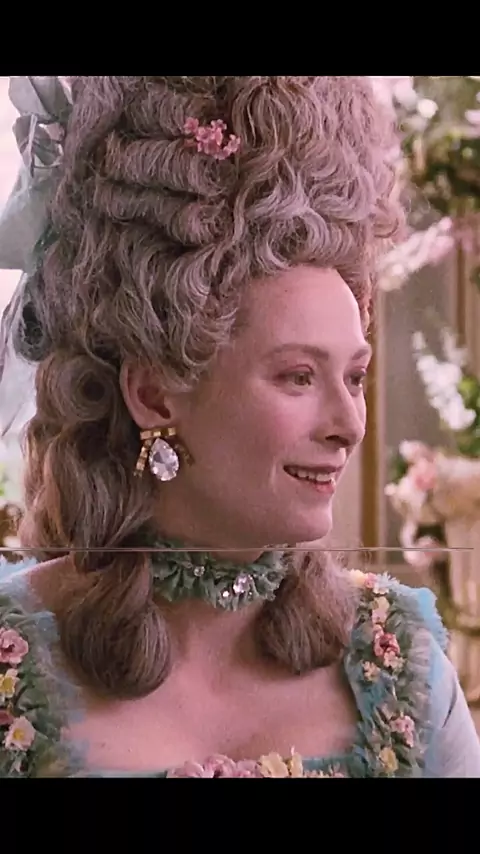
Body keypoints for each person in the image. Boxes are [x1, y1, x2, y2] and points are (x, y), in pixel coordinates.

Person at [0, 76, 479, 779]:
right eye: (298, 376)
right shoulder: (11, 662)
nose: (348, 425)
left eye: (355, 377)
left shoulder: (402, 664)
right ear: (154, 393)